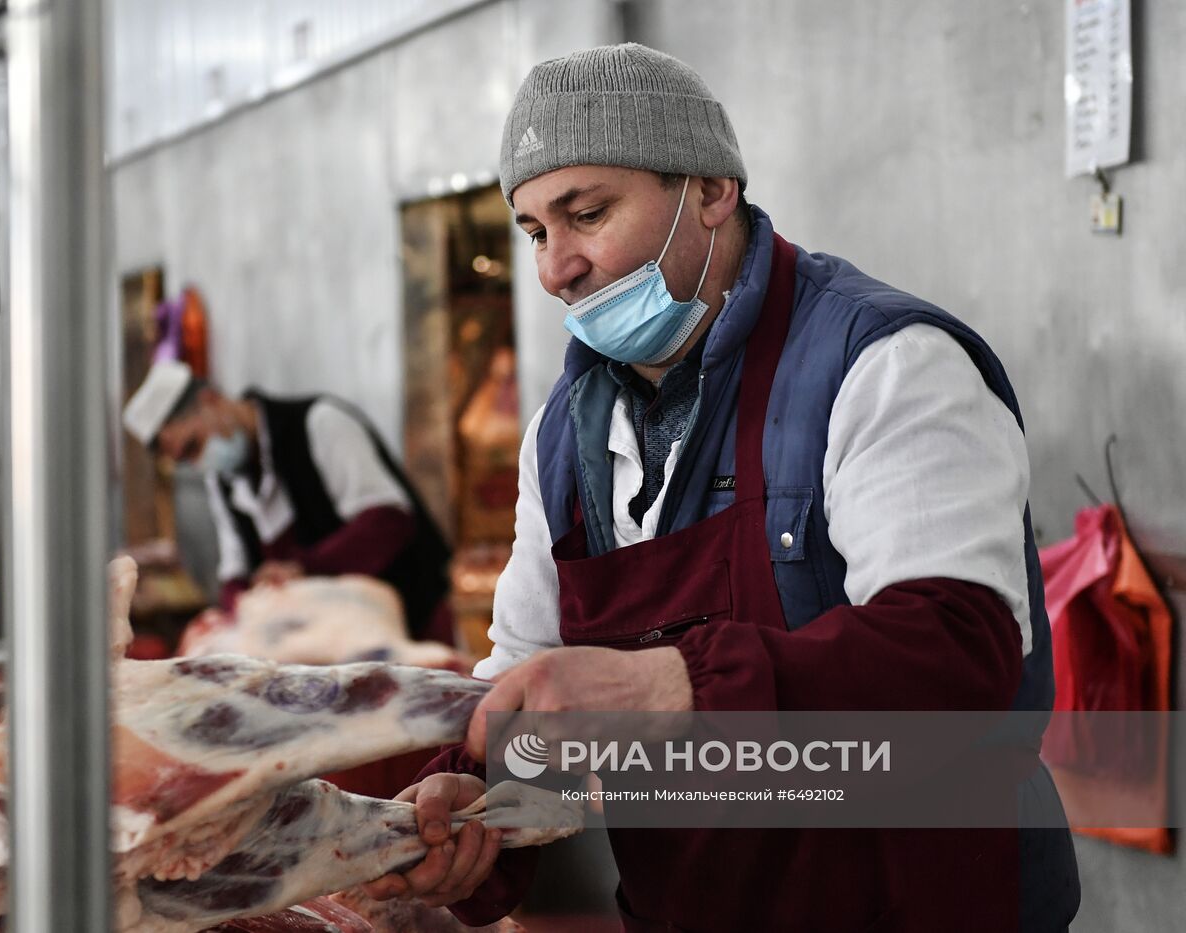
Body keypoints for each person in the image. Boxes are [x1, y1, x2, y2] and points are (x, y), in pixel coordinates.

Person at [362, 43, 1080, 931]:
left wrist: (678, 687)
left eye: (587, 213)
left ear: (710, 192)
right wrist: (478, 811)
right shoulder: (563, 438)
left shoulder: (884, 364)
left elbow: (955, 653)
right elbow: (526, 680)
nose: (555, 268)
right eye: (536, 231)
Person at [122, 361, 454, 642]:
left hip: (412, 624)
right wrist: (244, 610)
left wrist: (304, 568)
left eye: (194, 445)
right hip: (334, 645)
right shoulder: (223, 482)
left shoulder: (320, 422)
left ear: (211, 401)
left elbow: (388, 521)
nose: (198, 462)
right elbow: (235, 574)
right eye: (185, 459)